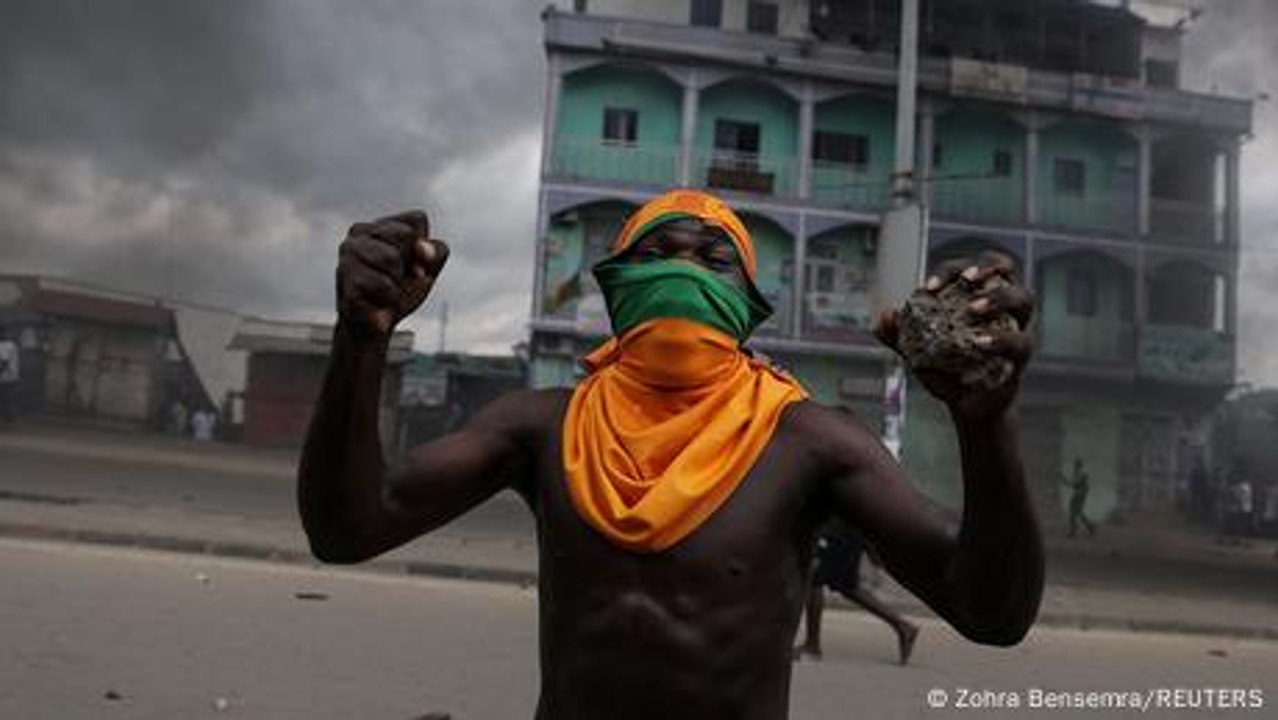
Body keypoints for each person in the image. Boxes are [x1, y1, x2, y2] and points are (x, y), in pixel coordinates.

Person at [299, 189, 1044, 719]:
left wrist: (986, 428)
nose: (683, 267)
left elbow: (992, 610)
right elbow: (350, 528)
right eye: (656, 253)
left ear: (749, 307)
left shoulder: (809, 438)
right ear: (618, 287)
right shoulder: (543, 425)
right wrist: (361, 340)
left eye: (712, 259)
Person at [794, 517, 919, 664]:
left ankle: (812, 646)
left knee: (815, 580)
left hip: (836, 531)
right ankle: (903, 627)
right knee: (847, 586)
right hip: (845, 529)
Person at [1061, 458, 1095, 538]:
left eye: (1077, 465)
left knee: (1075, 512)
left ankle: (1074, 530)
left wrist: (1063, 479)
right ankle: (1089, 527)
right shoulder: (1077, 473)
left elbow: (1077, 483)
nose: (1075, 466)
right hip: (1078, 494)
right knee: (1077, 512)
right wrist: (1063, 479)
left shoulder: (1082, 473)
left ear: (1079, 465)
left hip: (1080, 494)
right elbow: (1073, 484)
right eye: (1075, 465)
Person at [0, 328, 19, 425]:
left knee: (4, 398)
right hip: (11, 376)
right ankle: (9, 417)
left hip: (4, 377)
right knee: (8, 398)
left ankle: (7, 417)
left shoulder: (4, 345)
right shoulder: (12, 344)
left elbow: (4, 362)